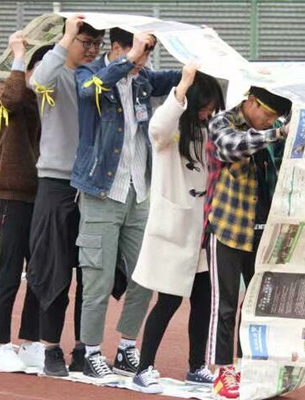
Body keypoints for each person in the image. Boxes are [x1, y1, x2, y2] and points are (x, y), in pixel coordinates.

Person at [72, 28, 181, 379]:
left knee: (145, 276)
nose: (142, 60)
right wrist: (130, 59)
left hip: (139, 194)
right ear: (117, 48)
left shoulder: (143, 79)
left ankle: (126, 348)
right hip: (102, 192)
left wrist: (201, 56)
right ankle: (91, 352)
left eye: (146, 54)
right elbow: (88, 93)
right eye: (137, 52)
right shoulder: (89, 74)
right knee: (98, 281)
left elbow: (178, 78)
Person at [129, 64, 225, 393]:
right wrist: (182, 86)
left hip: (203, 231)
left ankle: (197, 366)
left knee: (204, 301)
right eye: (204, 107)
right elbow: (158, 126)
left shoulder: (210, 131)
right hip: (175, 229)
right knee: (168, 301)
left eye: (212, 108)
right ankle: (144, 367)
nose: (207, 113)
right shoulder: (170, 132)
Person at [26, 15, 104, 377]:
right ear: (69, 40)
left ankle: (84, 349)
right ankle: (50, 349)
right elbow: (37, 81)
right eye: (85, 42)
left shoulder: (98, 79)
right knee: (54, 271)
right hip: (56, 184)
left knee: (91, 274)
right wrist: (67, 33)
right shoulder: (53, 73)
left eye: (97, 44)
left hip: (92, 186)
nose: (92, 50)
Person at [205, 86, 291, 400]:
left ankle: (247, 366)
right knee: (225, 305)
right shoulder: (222, 122)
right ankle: (222, 371)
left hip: (264, 230)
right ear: (251, 102)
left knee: (258, 305)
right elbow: (232, 147)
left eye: (274, 119)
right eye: (267, 115)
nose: (269, 122)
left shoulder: (273, 130)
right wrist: (276, 133)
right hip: (228, 227)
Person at [0, 31, 52, 373]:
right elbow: (12, 99)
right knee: (9, 272)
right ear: (30, 67)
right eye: (43, 67)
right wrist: (19, 54)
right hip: (12, 196)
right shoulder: (3, 90)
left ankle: (29, 342)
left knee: (40, 273)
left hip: (42, 195)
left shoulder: (45, 100)